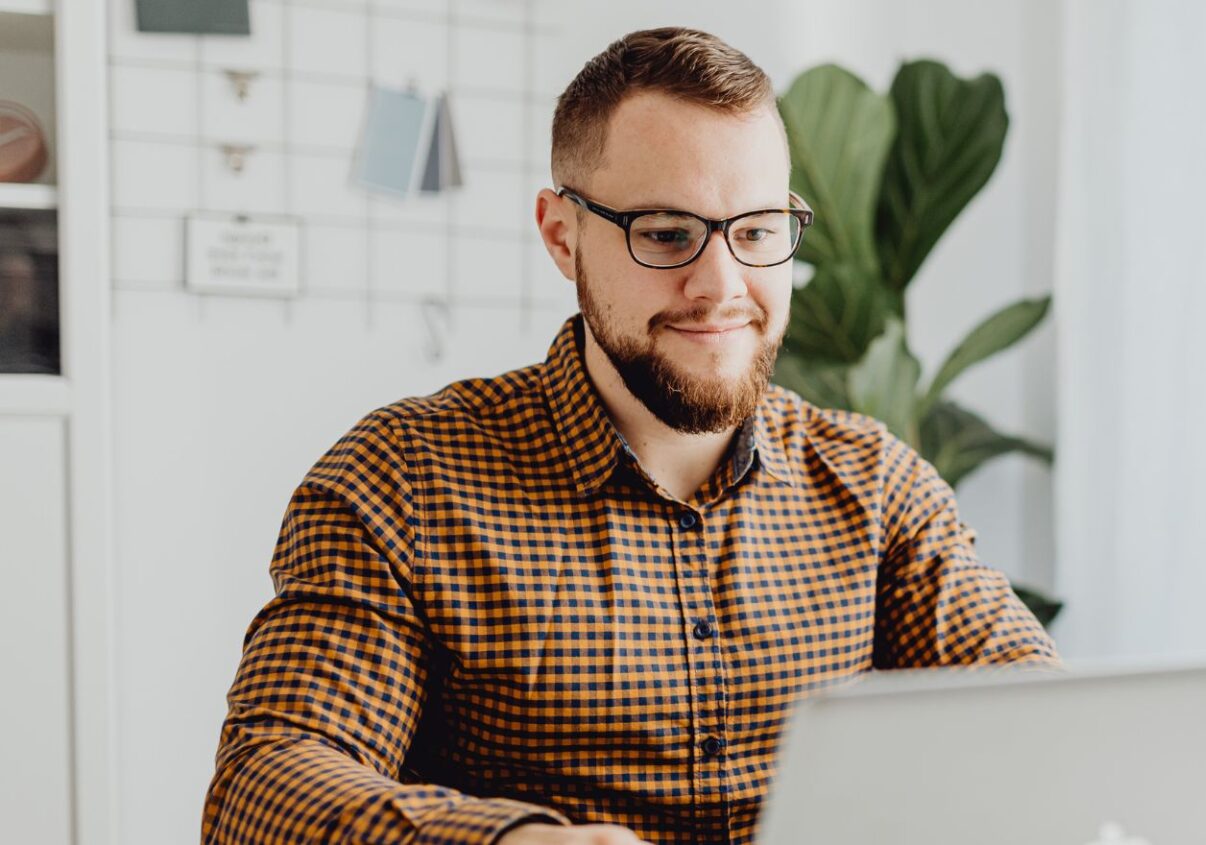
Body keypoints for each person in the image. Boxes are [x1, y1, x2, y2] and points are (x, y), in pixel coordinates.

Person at [200, 26, 1059, 845]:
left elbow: (1048, 726)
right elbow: (264, 788)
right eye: (667, 233)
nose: (722, 286)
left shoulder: (877, 486)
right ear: (561, 235)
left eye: (757, 231)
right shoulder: (403, 481)